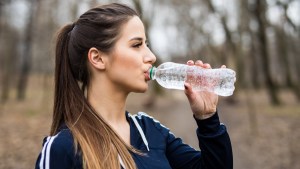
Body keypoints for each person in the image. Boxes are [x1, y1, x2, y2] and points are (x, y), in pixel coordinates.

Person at [35, 3, 233, 169]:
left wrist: (207, 118)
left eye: (146, 44)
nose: (151, 56)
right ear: (97, 58)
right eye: (137, 45)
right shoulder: (62, 149)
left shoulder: (150, 131)